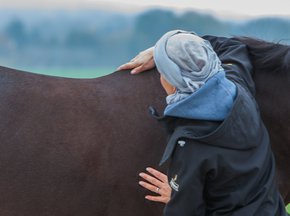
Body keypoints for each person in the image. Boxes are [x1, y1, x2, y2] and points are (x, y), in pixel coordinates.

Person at [118, 30, 287, 215]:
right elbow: (232, 46)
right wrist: (172, 48)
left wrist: (176, 197)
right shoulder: (241, 91)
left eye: (163, 71)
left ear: (173, 82)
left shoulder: (191, 143)